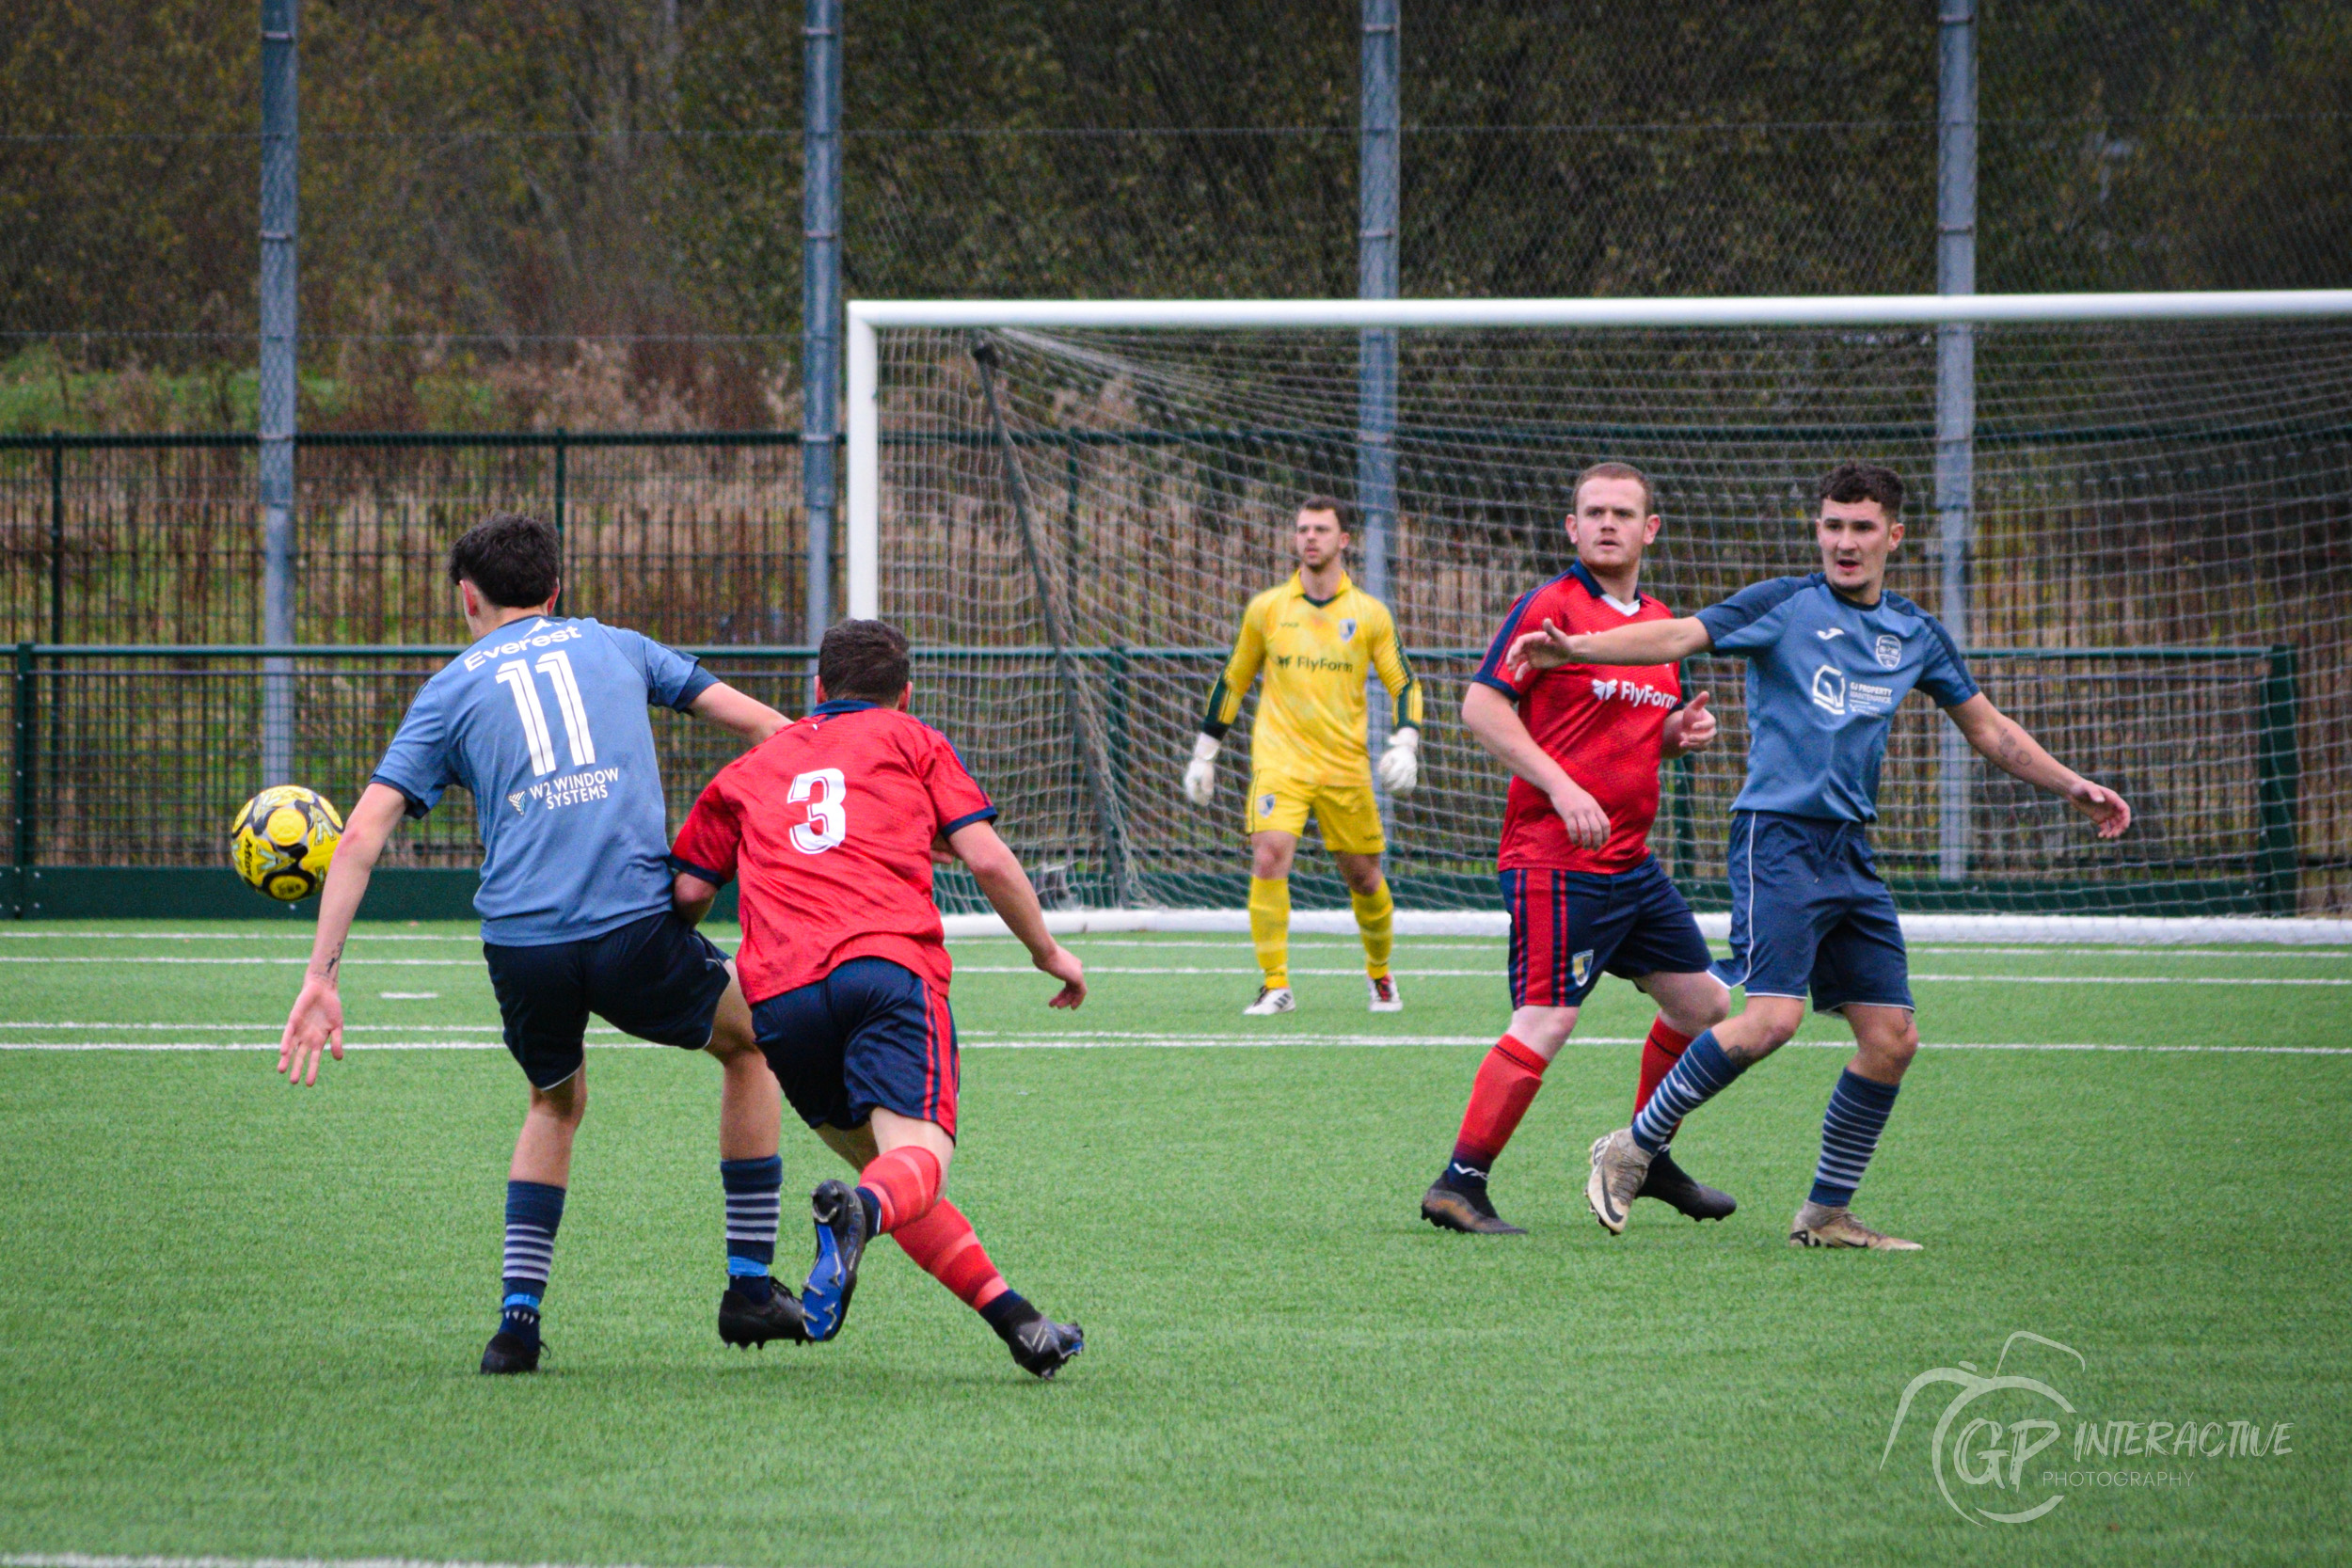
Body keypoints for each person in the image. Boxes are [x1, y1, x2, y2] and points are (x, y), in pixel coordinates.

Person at [1511, 463, 2133, 1249]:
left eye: (1863, 527)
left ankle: (1825, 1214)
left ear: (1894, 536)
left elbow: (1989, 729)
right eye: (1833, 525)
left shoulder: (1914, 632)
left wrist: (2072, 784)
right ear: (1818, 530)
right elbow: (1678, 635)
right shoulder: (1783, 604)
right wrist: (1578, 648)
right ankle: (1632, 1147)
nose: (1845, 541)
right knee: (1771, 1020)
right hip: (1778, 837)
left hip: (1849, 852)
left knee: (1892, 1038)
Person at [277, 511, 803, 1373]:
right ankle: (749, 1287)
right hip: (635, 929)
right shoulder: (620, 645)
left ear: (466, 598)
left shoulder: (448, 688)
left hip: (523, 945)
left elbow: (364, 831)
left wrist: (321, 975)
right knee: (750, 1047)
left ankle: (516, 1325)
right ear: (557, 590)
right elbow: (764, 730)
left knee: (554, 1102)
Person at [669, 617, 1090, 1379]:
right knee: (911, 1170)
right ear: (905, 694)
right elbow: (988, 859)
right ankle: (857, 1217)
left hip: (784, 1003)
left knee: (886, 1177)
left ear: (818, 690)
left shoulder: (751, 768)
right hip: (886, 972)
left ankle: (1020, 1322)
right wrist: (1048, 951)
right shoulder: (913, 739)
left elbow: (690, 888)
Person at [1421, 462, 1735, 1235]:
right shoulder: (1550, 605)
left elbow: (1624, 737)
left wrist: (1672, 737)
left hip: (1630, 863)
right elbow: (1481, 705)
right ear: (1571, 527)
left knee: (1707, 1009)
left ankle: (1645, 1149)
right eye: (1592, 511)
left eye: (1622, 512)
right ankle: (1460, 1182)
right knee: (1546, 1020)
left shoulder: (1659, 625)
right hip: (1555, 857)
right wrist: (1561, 787)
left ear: (1648, 529)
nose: (1606, 523)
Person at [1184, 496, 1425, 1015]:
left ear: (1343, 540)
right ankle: (1276, 984)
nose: (1309, 537)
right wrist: (1205, 754)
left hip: (1345, 768)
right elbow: (1233, 680)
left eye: (1321, 529)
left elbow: (1404, 682)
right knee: (1269, 854)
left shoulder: (1369, 614)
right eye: (1302, 529)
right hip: (1280, 763)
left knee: (1364, 878)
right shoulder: (1267, 609)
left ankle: (1380, 974)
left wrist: (1407, 740)